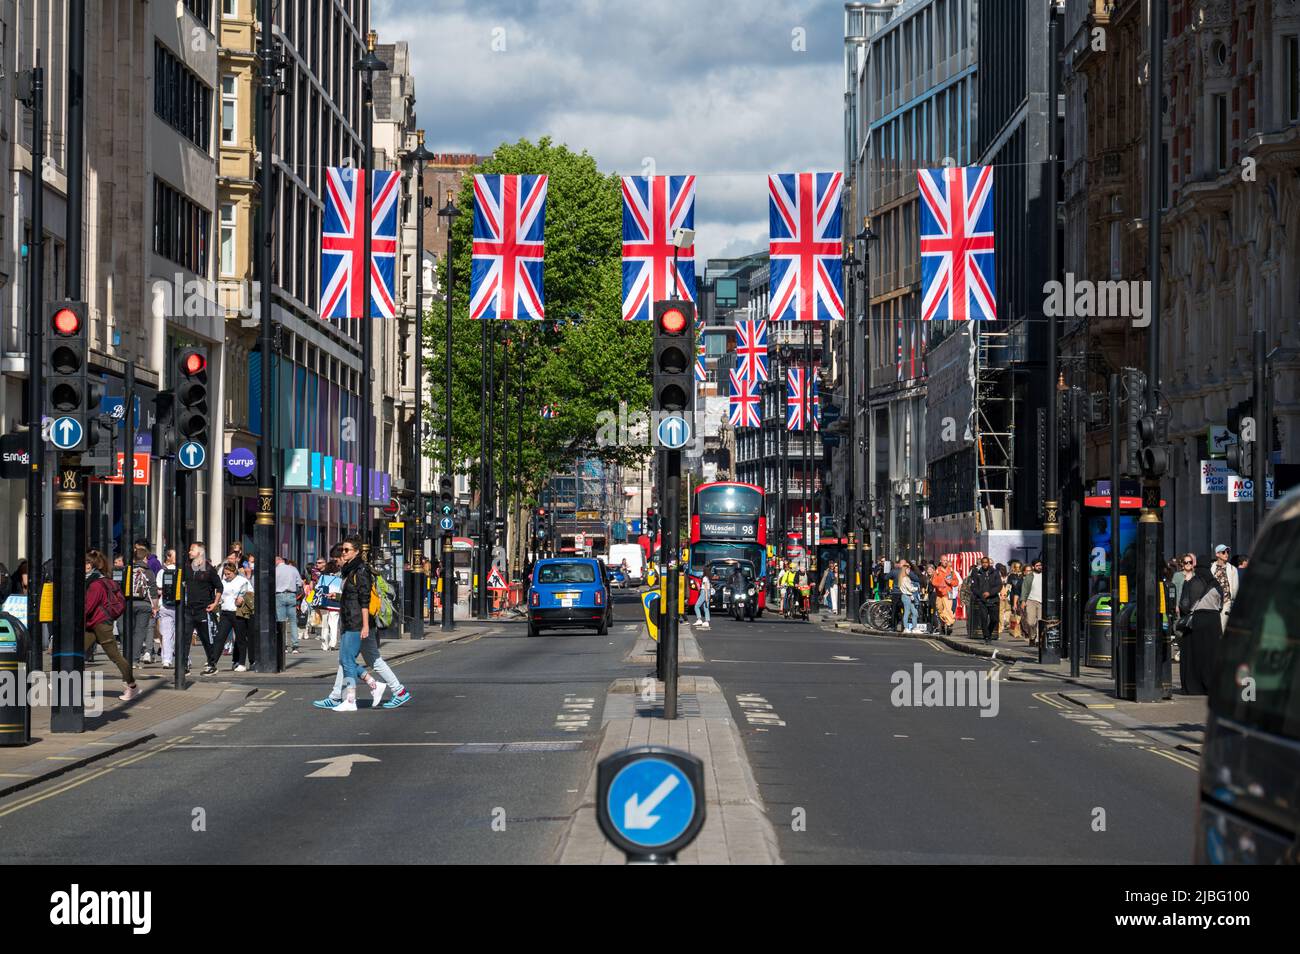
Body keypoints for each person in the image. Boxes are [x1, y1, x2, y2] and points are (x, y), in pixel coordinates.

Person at [324, 537, 373, 712]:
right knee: (345, 660)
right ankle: (373, 684)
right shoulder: (348, 570)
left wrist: (366, 625)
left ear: (357, 551)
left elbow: (364, 600)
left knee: (348, 660)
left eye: (347, 550)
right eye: (343, 550)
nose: (343, 553)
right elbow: (349, 596)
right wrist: (336, 597)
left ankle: (351, 700)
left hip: (356, 620)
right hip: (347, 618)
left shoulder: (360, 570)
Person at [84, 550, 139, 701]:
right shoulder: (101, 579)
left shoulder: (95, 584)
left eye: (87, 563)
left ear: (91, 565)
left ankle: (132, 686)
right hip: (94, 623)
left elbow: (88, 607)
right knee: (77, 652)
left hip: (101, 624)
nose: (84, 565)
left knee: (115, 656)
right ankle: (64, 682)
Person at [1178, 555, 1223, 695]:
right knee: (1211, 655)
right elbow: (1221, 605)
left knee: (1194, 655)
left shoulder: (1193, 582)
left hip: (1196, 622)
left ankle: (1193, 686)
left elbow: (1184, 605)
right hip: (1214, 622)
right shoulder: (1216, 584)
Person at [179, 542, 223, 674]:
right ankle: (184, 666)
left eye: (192, 550)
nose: (189, 552)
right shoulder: (187, 567)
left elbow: (219, 587)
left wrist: (215, 603)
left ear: (200, 552)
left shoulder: (209, 569)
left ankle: (211, 664)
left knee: (206, 639)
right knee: (185, 638)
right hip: (188, 609)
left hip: (203, 609)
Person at [216, 562, 253, 672]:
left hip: (238, 613)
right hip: (225, 612)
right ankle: (212, 662)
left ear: (234, 572)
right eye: (225, 574)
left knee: (240, 639)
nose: (226, 576)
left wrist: (242, 598)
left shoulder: (243, 581)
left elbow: (250, 593)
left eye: (229, 574)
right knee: (220, 637)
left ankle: (241, 663)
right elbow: (220, 594)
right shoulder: (223, 582)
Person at [127, 543, 160, 665]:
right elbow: (153, 591)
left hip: (130, 604)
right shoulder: (149, 571)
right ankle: (135, 660)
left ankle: (128, 656)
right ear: (145, 558)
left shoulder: (129, 570)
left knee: (130, 630)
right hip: (145, 605)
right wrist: (155, 607)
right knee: (140, 632)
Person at [274, 555, 304, 655]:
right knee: (293, 621)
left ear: (277, 561)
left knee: (281, 622)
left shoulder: (275, 571)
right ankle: (295, 646)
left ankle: (284, 646)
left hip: (279, 595)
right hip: (291, 595)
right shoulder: (293, 569)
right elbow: (300, 583)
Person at [155, 549, 179, 668]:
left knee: (166, 634)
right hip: (179, 606)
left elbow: (158, 589)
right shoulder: (182, 571)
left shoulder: (161, 572)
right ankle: (184, 659)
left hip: (165, 605)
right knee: (181, 634)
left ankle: (166, 660)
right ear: (168, 557)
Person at [968, 556, 1002, 643]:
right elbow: (973, 587)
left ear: (989, 563)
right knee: (983, 619)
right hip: (981, 600)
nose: (985, 564)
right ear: (981, 563)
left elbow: (999, 586)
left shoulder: (995, 572)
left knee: (994, 620)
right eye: (983, 562)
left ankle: (989, 633)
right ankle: (986, 637)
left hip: (993, 599)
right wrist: (980, 594)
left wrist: (990, 593)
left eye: (986, 562)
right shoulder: (976, 572)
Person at [315, 559, 344, 651]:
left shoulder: (322, 578)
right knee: (334, 624)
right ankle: (333, 644)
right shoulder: (339, 579)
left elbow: (316, 589)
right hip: (335, 603)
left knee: (324, 624)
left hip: (324, 603)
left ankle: (324, 645)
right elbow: (341, 592)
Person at [1211, 544, 1239, 628]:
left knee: (1223, 628)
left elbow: (1235, 587)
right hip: (1213, 603)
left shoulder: (1232, 569)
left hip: (1226, 603)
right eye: (1223, 552)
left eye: (1227, 552)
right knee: (1214, 628)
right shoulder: (1211, 568)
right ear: (1217, 554)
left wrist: (1231, 600)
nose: (1226, 554)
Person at [930, 559, 959, 636]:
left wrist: (951, 582)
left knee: (948, 609)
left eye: (946, 560)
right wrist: (939, 586)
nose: (945, 562)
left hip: (948, 593)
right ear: (941, 561)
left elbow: (956, 582)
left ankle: (949, 624)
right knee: (940, 611)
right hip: (939, 594)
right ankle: (943, 625)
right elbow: (933, 582)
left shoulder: (951, 571)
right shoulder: (937, 571)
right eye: (944, 560)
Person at [1020, 559, 1044, 646]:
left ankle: (1038, 640)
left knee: (1040, 621)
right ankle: (1032, 636)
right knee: (1030, 622)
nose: (1039, 567)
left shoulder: (1045, 575)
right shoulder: (1029, 576)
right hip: (1031, 601)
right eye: (1037, 565)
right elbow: (1025, 589)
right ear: (1033, 567)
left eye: (1040, 565)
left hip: (1042, 601)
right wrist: (1023, 601)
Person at [898, 560, 920, 633]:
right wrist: (917, 588)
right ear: (905, 570)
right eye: (908, 569)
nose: (909, 571)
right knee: (907, 612)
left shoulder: (906, 578)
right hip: (906, 596)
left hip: (909, 596)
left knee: (914, 612)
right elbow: (910, 588)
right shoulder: (905, 579)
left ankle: (914, 628)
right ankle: (906, 628)